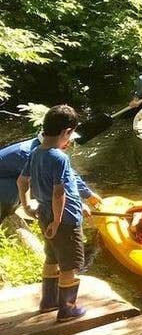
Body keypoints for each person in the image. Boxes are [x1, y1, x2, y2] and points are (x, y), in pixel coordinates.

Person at [16, 105, 103, 319]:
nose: (70, 140)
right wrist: (58, 220)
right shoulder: (59, 158)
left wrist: (26, 206)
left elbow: (22, 181)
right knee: (69, 265)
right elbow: (58, 193)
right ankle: (67, 308)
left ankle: (48, 301)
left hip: (45, 215)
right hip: (64, 220)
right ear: (66, 132)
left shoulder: (36, 152)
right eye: (71, 135)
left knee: (52, 257)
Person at [0, 136, 40, 221]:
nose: (68, 144)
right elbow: (23, 182)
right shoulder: (28, 153)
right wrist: (27, 207)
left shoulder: (37, 146)